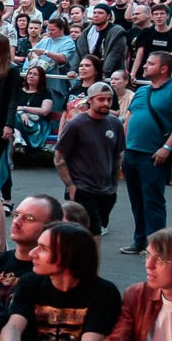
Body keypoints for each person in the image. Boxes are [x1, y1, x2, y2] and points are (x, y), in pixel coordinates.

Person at [0, 221, 122, 341]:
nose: (32, 253)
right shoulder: (30, 282)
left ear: (68, 256)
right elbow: (14, 325)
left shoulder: (103, 292)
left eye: (43, 249)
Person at [120, 52, 172, 255]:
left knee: (152, 200)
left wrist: (167, 148)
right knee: (136, 200)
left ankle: (155, 245)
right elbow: (129, 119)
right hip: (132, 152)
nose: (145, 66)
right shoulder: (142, 91)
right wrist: (123, 147)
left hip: (153, 154)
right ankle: (139, 240)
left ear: (163, 69)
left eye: (150, 63)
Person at [55, 81, 124, 238]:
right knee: (92, 232)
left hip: (106, 190)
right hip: (83, 188)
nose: (106, 103)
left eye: (109, 99)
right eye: (101, 99)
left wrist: (114, 187)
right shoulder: (75, 124)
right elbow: (59, 157)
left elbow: (117, 157)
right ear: (90, 100)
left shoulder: (115, 124)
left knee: (94, 230)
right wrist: (71, 187)